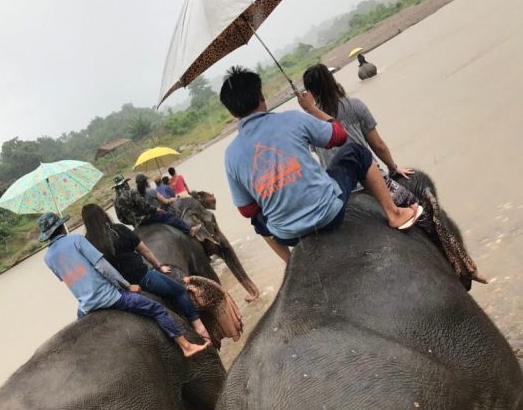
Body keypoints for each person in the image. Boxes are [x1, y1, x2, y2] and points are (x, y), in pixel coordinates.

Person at [219, 66, 422, 263]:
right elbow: (340, 136)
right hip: (329, 215)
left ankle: (291, 263)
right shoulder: (294, 119)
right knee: (357, 152)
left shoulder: (230, 155)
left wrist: (272, 188)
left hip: (288, 235)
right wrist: (310, 109)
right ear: (261, 97)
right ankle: (394, 214)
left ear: (231, 113)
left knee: (257, 220)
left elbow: (246, 210)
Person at [36, 211, 208, 357]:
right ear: (61, 227)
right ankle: (186, 346)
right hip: (110, 297)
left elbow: (69, 279)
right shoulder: (77, 240)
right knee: (157, 309)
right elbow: (103, 268)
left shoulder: (48, 258)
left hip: (85, 306)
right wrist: (127, 286)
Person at [81, 203, 211, 344]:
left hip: (117, 291)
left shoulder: (86, 243)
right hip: (142, 278)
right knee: (179, 291)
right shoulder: (119, 230)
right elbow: (144, 251)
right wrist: (159, 266)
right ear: (103, 215)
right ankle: (199, 327)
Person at [302, 63, 417, 208]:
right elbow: (378, 145)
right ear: (332, 81)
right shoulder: (354, 105)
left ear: (310, 92)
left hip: (340, 193)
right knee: (416, 206)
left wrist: (310, 108)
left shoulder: (309, 123)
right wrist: (393, 168)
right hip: (373, 182)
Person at [112, 174, 200, 237]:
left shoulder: (115, 200)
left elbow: (121, 218)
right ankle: (189, 230)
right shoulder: (132, 192)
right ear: (125, 183)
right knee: (168, 216)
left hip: (136, 225)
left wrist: (133, 221)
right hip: (146, 218)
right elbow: (144, 207)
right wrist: (156, 210)